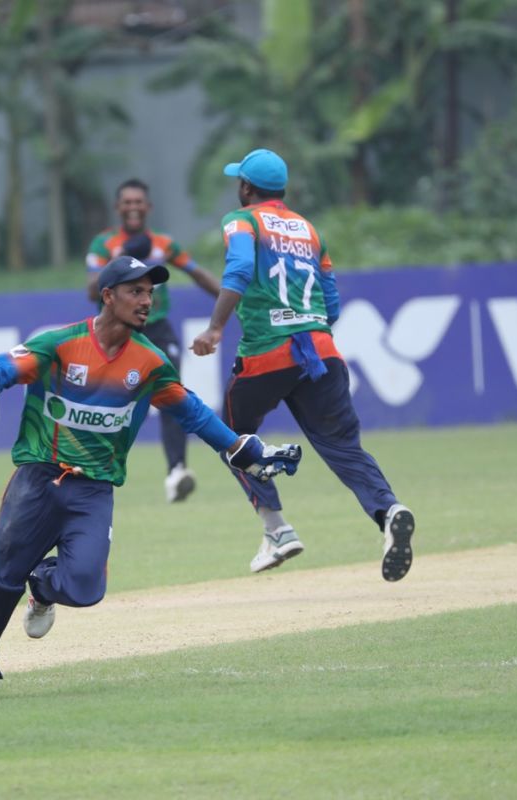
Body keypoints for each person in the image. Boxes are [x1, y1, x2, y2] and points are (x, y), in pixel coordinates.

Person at [0, 255, 302, 700]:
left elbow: (190, 412)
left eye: (151, 293)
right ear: (108, 295)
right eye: (136, 291)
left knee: (85, 586)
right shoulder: (59, 344)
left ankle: (41, 585)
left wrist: (242, 451)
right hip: (38, 477)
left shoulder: (150, 363)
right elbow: (7, 366)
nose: (146, 301)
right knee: (1, 577)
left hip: (94, 489)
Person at [191, 148, 416, 580]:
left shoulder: (242, 221)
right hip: (321, 353)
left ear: (245, 188)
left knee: (229, 438)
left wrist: (217, 328)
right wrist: (306, 328)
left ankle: (277, 530)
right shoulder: (310, 231)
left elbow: (238, 268)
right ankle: (389, 512)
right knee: (344, 448)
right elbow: (330, 304)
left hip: (265, 355)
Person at [86, 178, 221, 502]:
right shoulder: (104, 245)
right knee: (108, 400)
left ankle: (176, 473)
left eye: (139, 202)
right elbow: (92, 290)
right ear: (118, 208)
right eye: (127, 202)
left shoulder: (163, 244)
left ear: (149, 207)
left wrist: (235, 301)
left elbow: (197, 273)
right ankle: (87, 469)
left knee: (172, 393)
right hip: (118, 331)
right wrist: (117, 260)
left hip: (157, 329)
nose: (133, 207)